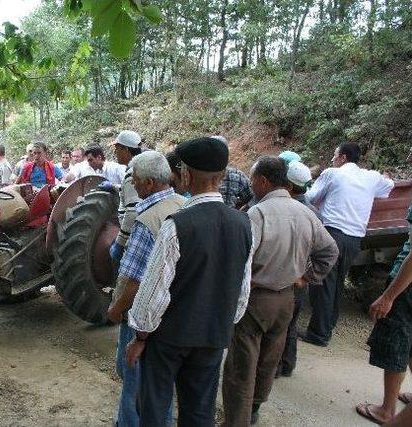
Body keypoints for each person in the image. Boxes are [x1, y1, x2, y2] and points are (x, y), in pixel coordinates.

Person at [126, 137, 254, 426]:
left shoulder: (176, 225)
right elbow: (242, 291)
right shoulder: (245, 224)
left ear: (186, 174)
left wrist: (140, 337)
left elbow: (153, 292)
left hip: (168, 339)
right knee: (199, 412)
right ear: (221, 177)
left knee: (154, 409)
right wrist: (220, 324)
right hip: (212, 338)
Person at [222, 156, 339, 426]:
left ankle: (236, 420)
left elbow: (242, 258)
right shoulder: (307, 212)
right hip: (288, 298)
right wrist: (306, 277)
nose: (251, 185)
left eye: (252, 180)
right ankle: (254, 408)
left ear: (263, 181)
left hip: (256, 299)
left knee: (242, 362)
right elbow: (330, 250)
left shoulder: (258, 213)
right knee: (269, 357)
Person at [106, 151, 185, 427]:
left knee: (133, 374)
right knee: (160, 381)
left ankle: (128, 423)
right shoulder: (184, 205)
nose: (133, 185)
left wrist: (116, 309)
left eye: (136, 180)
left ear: (150, 183)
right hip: (174, 310)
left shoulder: (148, 219)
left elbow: (133, 278)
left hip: (143, 314)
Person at [301, 142, 395, 347]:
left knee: (322, 284)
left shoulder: (333, 174)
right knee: (336, 284)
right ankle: (328, 326)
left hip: (331, 234)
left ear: (343, 157)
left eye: (334, 155)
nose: (332, 159)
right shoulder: (371, 177)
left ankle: (318, 334)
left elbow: (310, 197)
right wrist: (386, 177)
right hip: (354, 240)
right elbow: (389, 185)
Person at [355, 147, 412, 425]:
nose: (410, 157)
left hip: (407, 284)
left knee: (396, 340)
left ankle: (387, 409)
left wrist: (389, 295)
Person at [276, 161, 320, 379]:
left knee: (277, 326)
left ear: (289, 186)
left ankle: (274, 368)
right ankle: (288, 364)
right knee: (291, 324)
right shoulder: (313, 211)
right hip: (299, 278)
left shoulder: (287, 210)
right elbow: (326, 250)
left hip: (284, 277)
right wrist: (308, 277)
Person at [109, 130, 143, 263]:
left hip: (131, 235)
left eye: (117, 149)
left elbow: (132, 211)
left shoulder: (131, 174)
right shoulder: (139, 167)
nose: (115, 153)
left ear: (126, 150)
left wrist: (120, 242)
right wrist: (116, 187)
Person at [211, 136, 254, 208]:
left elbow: (251, 198)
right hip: (231, 217)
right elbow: (252, 199)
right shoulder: (237, 175)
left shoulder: (199, 175)